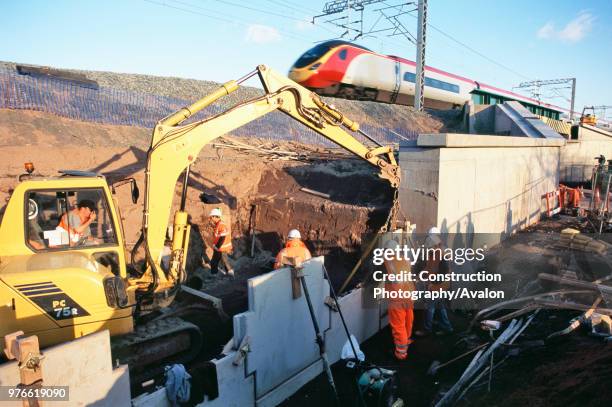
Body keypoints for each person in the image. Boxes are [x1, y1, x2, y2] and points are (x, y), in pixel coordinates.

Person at [383, 237, 415, 360]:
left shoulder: (389, 260)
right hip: (409, 295)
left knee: (398, 326)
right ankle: (406, 342)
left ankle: (401, 353)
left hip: (397, 299)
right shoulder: (405, 260)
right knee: (408, 320)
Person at [418, 226, 453, 336]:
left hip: (438, 285)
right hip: (442, 284)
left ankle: (427, 329)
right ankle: (447, 327)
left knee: (430, 307)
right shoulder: (439, 250)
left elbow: (442, 271)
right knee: (441, 306)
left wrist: (433, 285)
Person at [208, 208, 234, 277]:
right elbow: (219, 236)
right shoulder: (218, 224)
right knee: (215, 261)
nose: (211, 218)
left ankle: (230, 273)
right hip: (219, 247)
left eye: (211, 217)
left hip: (221, 247)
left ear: (214, 216)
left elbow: (223, 237)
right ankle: (214, 274)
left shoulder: (221, 225)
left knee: (224, 261)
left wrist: (217, 246)